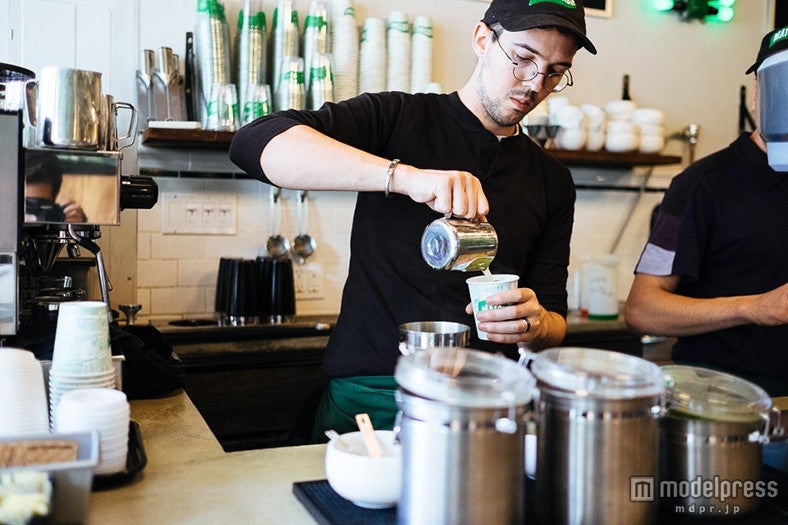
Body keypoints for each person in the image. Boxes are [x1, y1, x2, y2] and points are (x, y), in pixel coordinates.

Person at [230, 0, 597, 437]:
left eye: (555, 72)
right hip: (374, 398)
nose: (535, 84)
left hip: (484, 405)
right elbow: (255, 143)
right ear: (483, 39)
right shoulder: (398, 118)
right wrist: (404, 177)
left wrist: (533, 325)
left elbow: (554, 321)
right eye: (522, 58)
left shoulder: (552, 180)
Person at [625, 26, 788, 397]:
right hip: (727, 400)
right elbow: (642, 309)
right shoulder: (700, 185)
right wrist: (754, 308)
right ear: (758, 93)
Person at [24, 150, 87, 223]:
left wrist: (76, 227)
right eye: (26, 208)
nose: (32, 219)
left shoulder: (59, 219)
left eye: (39, 210)